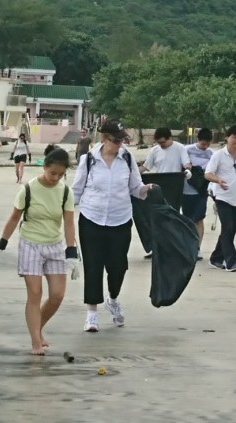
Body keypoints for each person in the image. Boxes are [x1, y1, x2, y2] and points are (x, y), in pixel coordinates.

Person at [0, 147, 79, 355]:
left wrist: (71, 252)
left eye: (60, 174)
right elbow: (14, 218)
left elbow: (69, 223)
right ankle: (36, 342)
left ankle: (37, 328)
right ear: (44, 167)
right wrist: (1, 243)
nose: (56, 178)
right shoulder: (28, 189)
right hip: (31, 244)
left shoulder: (66, 192)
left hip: (55, 245)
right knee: (35, 293)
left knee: (57, 295)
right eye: (52, 173)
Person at [71, 120, 157, 331]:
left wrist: (146, 189)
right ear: (104, 138)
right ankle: (92, 313)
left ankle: (113, 298)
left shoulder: (127, 158)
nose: (120, 144)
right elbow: (76, 191)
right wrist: (62, 213)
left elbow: (135, 188)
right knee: (93, 265)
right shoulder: (88, 160)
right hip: (91, 218)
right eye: (115, 140)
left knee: (118, 267)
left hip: (120, 220)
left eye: (122, 140)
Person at [204, 125, 236, 272]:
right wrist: (218, 180)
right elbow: (208, 174)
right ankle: (231, 262)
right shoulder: (218, 155)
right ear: (227, 138)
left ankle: (216, 258)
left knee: (230, 231)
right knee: (227, 228)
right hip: (222, 198)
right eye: (234, 137)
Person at [182, 128, 214, 258]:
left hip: (202, 191)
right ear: (198, 140)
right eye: (203, 144)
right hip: (186, 190)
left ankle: (197, 248)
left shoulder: (212, 154)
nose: (205, 146)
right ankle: (187, 245)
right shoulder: (187, 150)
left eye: (208, 144)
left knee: (199, 219)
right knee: (187, 219)